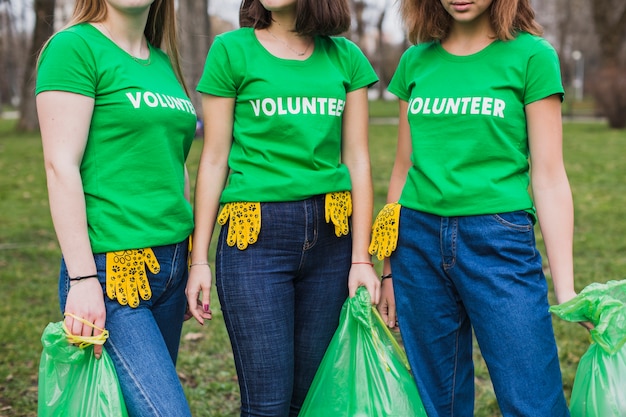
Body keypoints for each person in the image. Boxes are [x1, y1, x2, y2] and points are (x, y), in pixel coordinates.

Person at [369, 0, 581, 416]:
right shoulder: (415, 61)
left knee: (533, 401)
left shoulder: (532, 56)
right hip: (416, 243)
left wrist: (567, 286)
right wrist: (389, 267)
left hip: (498, 241)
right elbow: (401, 170)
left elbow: (550, 176)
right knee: (438, 403)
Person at [186, 0, 381, 415]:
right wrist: (199, 259)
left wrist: (362, 259)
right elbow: (214, 159)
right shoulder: (230, 51)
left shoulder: (346, 57)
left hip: (333, 238)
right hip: (255, 238)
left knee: (311, 401)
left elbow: (358, 160)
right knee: (268, 405)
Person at [35, 0, 196, 415]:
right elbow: (60, 166)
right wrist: (83, 277)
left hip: (172, 263)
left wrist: (191, 260)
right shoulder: (74, 48)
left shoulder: (161, 61)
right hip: (111, 273)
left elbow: (175, 163)